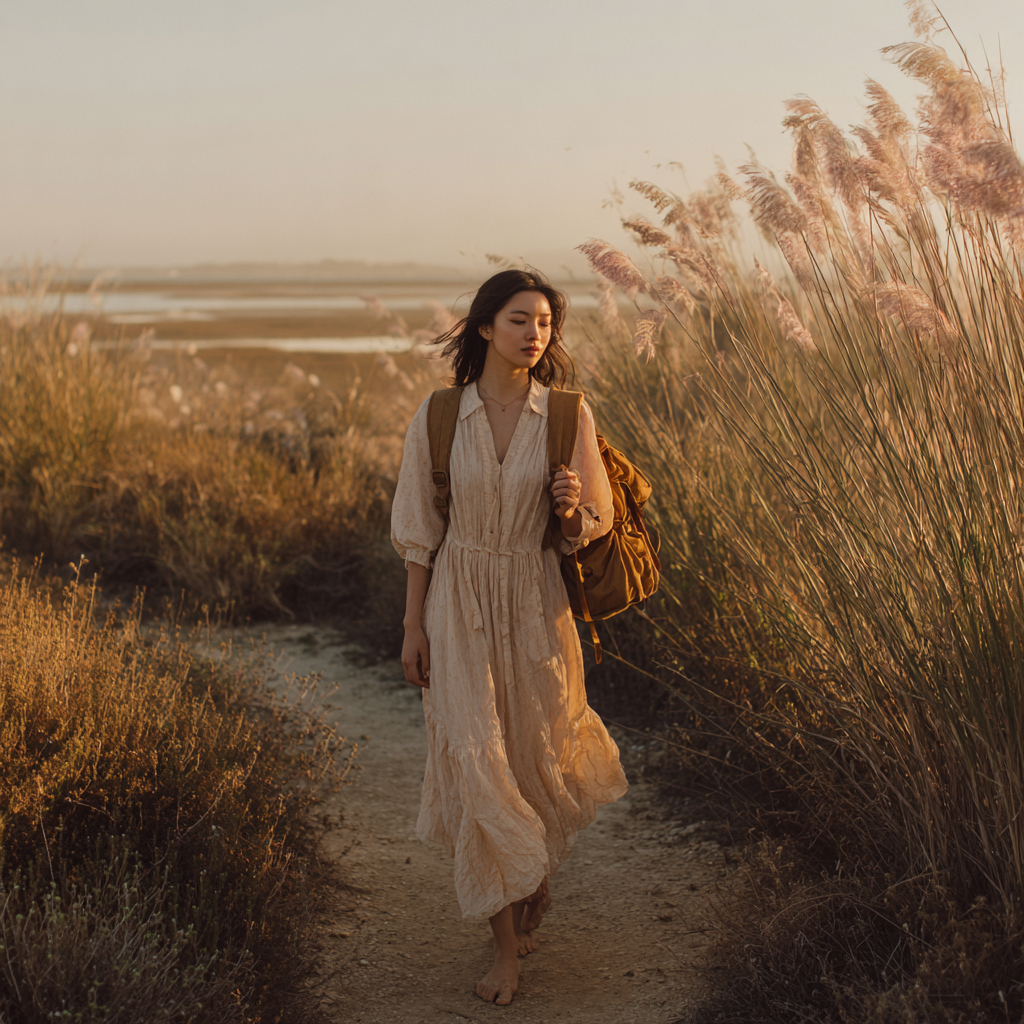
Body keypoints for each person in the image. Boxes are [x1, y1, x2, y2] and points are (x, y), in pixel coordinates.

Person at [390, 268, 628, 1006]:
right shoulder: (437, 417)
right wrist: (411, 628)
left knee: (531, 757)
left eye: (547, 324)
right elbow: (421, 536)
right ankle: (504, 952)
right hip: (456, 606)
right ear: (485, 326)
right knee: (475, 762)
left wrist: (569, 507)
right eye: (521, 319)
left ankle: (532, 880)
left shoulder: (565, 415)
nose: (536, 334)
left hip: (534, 602)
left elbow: (592, 525)